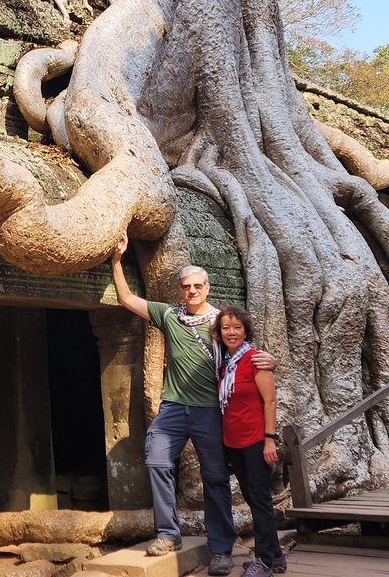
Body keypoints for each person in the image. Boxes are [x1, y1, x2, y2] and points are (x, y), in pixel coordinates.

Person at [110, 234, 272, 576]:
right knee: (156, 460)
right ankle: (169, 534)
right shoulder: (169, 315)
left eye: (198, 286)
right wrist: (116, 260)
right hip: (172, 407)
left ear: (207, 288)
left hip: (210, 411)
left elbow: (242, 348)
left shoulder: (218, 322)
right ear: (179, 290)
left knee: (215, 477)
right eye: (186, 286)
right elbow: (126, 298)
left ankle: (221, 549)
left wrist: (266, 359)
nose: (192, 291)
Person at [214, 306, 287, 576]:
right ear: (219, 333)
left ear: (246, 331)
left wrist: (269, 439)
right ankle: (277, 555)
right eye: (226, 328)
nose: (231, 332)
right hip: (233, 442)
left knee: (260, 500)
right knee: (252, 498)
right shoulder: (225, 363)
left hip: (256, 440)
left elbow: (270, 400)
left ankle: (264, 561)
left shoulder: (256, 360)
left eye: (237, 328)